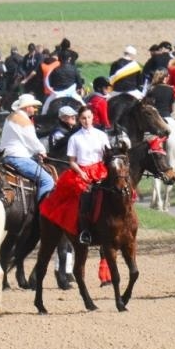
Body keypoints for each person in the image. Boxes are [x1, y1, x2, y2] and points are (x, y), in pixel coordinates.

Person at [59, 105, 112, 246]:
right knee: (85, 198)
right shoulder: (74, 138)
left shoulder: (101, 135)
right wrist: (81, 173)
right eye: (83, 118)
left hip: (101, 170)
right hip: (82, 172)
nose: (87, 120)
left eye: (89, 117)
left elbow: (108, 155)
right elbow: (72, 161)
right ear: (79, 120)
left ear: (93, 117)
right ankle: (85, 231)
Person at [1, 94, 55, 200]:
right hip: (18, 157)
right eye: (33, 106)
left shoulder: (11, 117)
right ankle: (42, 208)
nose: (35, 109)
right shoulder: (24, 121)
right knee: (48, 181)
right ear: (27, 107)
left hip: (7, 155)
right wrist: (42, 151)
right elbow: (32, 141)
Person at [41, 50, 83, 116]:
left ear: (59, 58)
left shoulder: (55, 70)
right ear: (69, 58)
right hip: (72, 94)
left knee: (45, 109)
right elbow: (79, 84)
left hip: (56, 94)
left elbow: (51, 83)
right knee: (84, 108)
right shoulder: (74, 69)